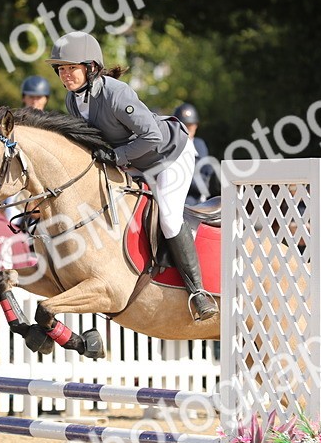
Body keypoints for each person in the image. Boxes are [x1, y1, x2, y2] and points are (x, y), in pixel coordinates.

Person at [46, 31, 217, 321]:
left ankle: (198, 292)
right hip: (135, 161)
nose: (65, 75)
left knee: (169, 218)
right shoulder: (73, 100)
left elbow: (150, 135)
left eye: (71, 68)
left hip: (169, 154)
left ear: (90, 67)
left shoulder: (116, 93)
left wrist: (117, 158)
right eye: (61, 69)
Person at [173, 102, 220, 205]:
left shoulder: (199, 145)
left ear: (196, 126)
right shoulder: (170, 145)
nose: (187, 130)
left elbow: (203, 183)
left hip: (192, 199)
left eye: (190, 126)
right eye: (183, 126)